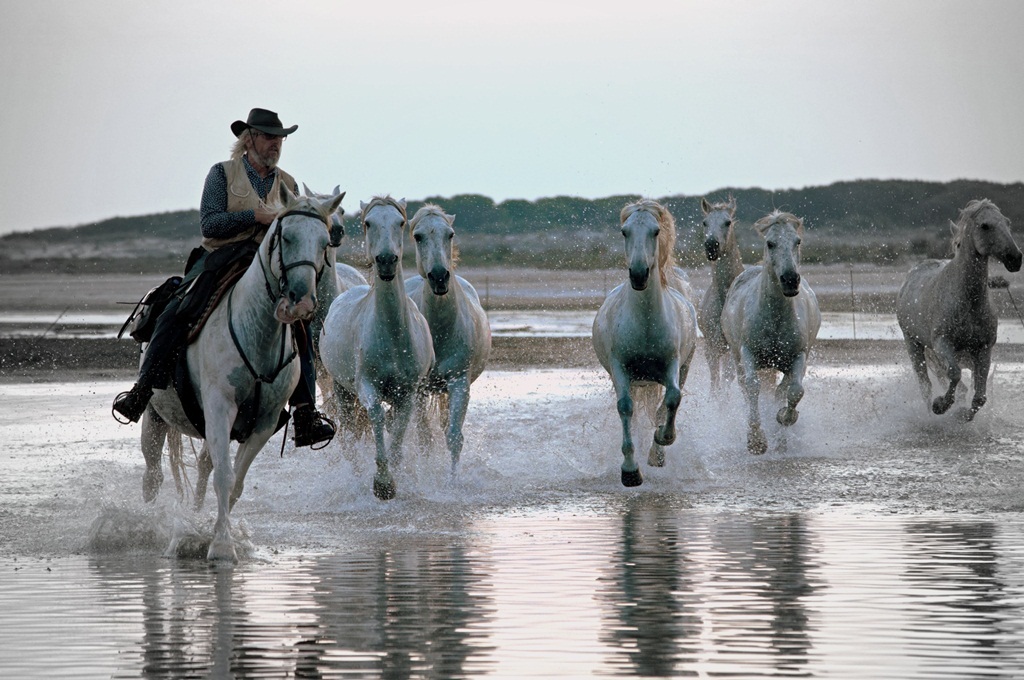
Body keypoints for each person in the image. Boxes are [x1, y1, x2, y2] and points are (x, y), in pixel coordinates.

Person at [112, 108, 336, 448]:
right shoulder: (221, 174)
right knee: (179, 308)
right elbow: (210, 224)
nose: (276, 144)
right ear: (249, 139)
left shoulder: (288, 184)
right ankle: (144, 390)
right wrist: (255, 215)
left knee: (298, 328)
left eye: (280, 138)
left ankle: (305, 411)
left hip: (267, 268)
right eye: (269, 137)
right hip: (220, 258)